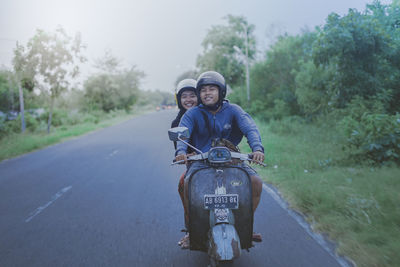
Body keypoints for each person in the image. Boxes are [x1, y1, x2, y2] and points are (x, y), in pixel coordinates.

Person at [175, 71, 264, 247]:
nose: (207, 93)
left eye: (212, 89)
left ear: (221, 92)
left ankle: (245, 224)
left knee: (255, 182)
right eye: (203, 90)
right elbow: (182, 134)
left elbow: (250, 128)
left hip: (232, 158)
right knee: (187, 186)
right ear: (199, 94)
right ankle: (193, 229)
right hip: (201, 161)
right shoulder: (192, 114)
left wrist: (257, 148)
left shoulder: (234, 110)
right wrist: (181, 151)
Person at [170, 78, 198, 248]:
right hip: (196, 168)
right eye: (184, 96)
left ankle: (243, 225)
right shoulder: (177, 123)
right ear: (179, 100)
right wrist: (184, 155)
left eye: (192, 95)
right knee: (183, 185)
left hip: (222, 163)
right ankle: (191, 230)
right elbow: (180, 149)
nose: (188, 100)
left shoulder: (208, 114)